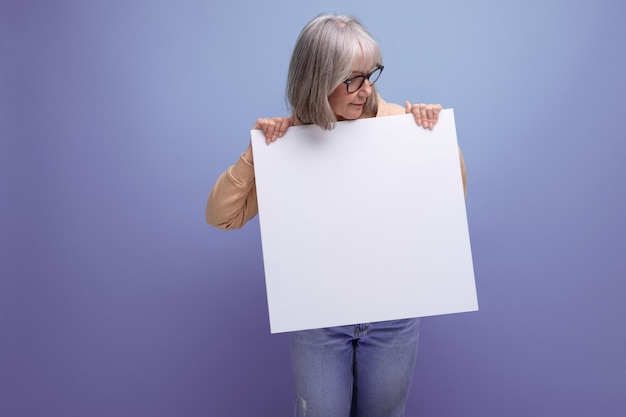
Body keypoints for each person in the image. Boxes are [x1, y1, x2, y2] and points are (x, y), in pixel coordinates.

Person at [206, 13, 467, 417]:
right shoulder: (287, 142)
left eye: (370, 75)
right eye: (353, 79)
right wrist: (254, 155)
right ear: (317, 79)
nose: (366, 90)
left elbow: (451, 202)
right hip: (319, 318)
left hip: (393, 314)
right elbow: (222, 216)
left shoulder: (400, 125)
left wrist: (436, 141)